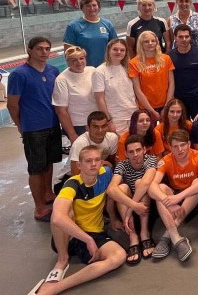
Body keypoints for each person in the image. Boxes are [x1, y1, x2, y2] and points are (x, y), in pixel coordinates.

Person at [28, 146, 126, 295]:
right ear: (79, 165)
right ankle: (62, 259)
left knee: (119, 256)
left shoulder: (106, 174)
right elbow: (57, 218)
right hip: (70, 236)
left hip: (95, 233)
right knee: (62, 211)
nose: (93, 164)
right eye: (88, 161)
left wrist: (113, 219)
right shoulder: (72, 184)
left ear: (102, 162)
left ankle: (55, 287)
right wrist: (88, 239)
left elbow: (112, 195)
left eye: (97, 160)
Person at [7, 36, 61, 222]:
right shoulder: (19, 74)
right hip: (33, 128)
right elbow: (12, 105)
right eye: (39, 48)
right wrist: (21, 126)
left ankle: (48, 194)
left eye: (47, 48)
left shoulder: (53, 70)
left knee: (49, 162)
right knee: (36, 169)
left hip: (53, 124)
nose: (44, 52)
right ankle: (39, 208)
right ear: (30, 50)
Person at [149, 129, 198, 262]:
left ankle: (167, 235)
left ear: (189, 144)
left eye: (183, 145)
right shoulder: (166, 160)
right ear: (170, 148)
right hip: (175, 198)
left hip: (195, 198)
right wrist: (167, 201)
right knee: (160, 189)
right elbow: (151, 186)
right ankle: (176, 238)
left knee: (197, 182)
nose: (180, 149)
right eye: (175, 146)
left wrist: (179, 197)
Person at [106, 134, 158, 265]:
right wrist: (134, 206)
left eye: (138, 150)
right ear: (126, 154)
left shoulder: (151, 159)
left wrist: (130, 209)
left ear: (144, 150)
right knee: (121, 188)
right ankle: (133, 236)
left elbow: (146, 183)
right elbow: (111, 189)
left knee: (140, 182)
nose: (135, 155)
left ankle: (145, 233)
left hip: (147, 206)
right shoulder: (122, 165)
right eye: (131, 152)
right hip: (131, 207)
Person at [53, 46, 99, 147]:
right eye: (73, 60)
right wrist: (72, 135)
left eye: (81, 58)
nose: (79, 62)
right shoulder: (62, 80)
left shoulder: (92, 71)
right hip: (79, 126)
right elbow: (61, 111)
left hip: (97, 122)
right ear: (67, 62)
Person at [93, 39, 138, 135]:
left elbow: (134, 92)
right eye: (115, 49)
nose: (119, 52)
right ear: (109, 50)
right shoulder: (100, 71)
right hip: (116, 117)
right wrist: (108, 121)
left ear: (126, 52)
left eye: (122, 50)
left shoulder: (128, 68)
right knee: (120, 143)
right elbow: (100, 99)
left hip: (133, 113)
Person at [129, 30, 175, 122]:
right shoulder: (134, 63)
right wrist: (151, 111)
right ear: (141, 44)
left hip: (165, 104)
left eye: (153, 41)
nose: (150, 43)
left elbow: (172, 83)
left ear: (157, 42)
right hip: (146, 107)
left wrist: (167, 106)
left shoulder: (166, 59)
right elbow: (137, 89)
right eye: (146, 41)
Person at [63, 0, 117, 67]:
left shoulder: (107, 24)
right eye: (88, 6)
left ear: (99, 7)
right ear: (82, 8)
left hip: (105, 67)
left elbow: (115, 46)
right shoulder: (73, 26)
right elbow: (68, 52)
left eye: (94, 5)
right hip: (83, 68)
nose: (91, 8)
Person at [169, 24, 198, 118]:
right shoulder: (170, 56)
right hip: (179, 98)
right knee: (182, 125)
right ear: (175, 38)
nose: (184, 39)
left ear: (190, 37)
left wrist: (196, 89)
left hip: (197, 97)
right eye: (180, 37)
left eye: (186, 36)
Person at [68, 111, 118, 176]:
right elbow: (75, 174)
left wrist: (110, 166)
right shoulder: (80, 143)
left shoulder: (112, 138)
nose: (100, 130)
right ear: (87, 128)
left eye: (103, 126)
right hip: (70, 176)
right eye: (95, 127)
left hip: (96, 172)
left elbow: (112, 163)